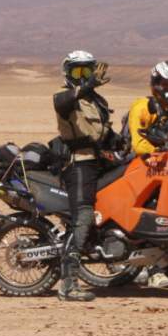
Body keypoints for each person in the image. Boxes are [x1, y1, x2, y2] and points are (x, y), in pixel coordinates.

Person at [52, 50, 115, 302]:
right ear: (68, 73)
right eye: (78, 71)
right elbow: (61, 102)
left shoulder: (95, 101)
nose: (83, 77)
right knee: (83, 216)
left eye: (87, 71)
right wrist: (86, 86)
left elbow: (105, 131)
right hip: (78, 164)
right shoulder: (66, 98)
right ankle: (68, 284)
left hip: (98, 161)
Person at [125, 61, 168, 156]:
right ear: (156, 84)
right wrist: (157, 151)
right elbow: (138, 144)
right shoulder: (142, 107)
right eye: (165, 84)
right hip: (137, 159)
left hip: (161, 160)